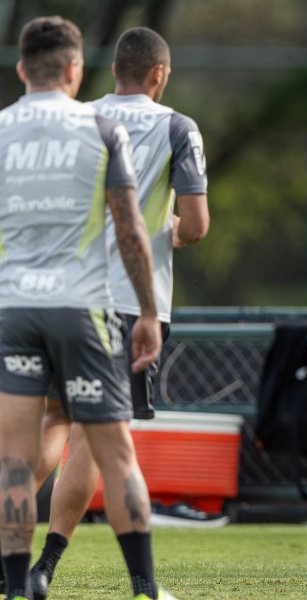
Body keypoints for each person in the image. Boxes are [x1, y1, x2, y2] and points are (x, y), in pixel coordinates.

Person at [26, 26, 212, 598]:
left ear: (111, 72)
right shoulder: (177, 126)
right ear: (159, 74)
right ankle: (50, 568)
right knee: (95, 437)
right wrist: (173, 231)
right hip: (130, 304)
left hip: (59, 294)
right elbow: (197, 223)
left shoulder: (80, 118)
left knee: (53, 420)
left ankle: (21, 555)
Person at [0, 16, 171, 600]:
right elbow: (129, 228)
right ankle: (145, 589)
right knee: (115, 454)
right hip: (83, 308)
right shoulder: (99, 128)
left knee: (16, 462)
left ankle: (18, 587)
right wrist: (148, 312)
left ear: (23, 69)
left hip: (13, 310)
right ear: (75, 69)